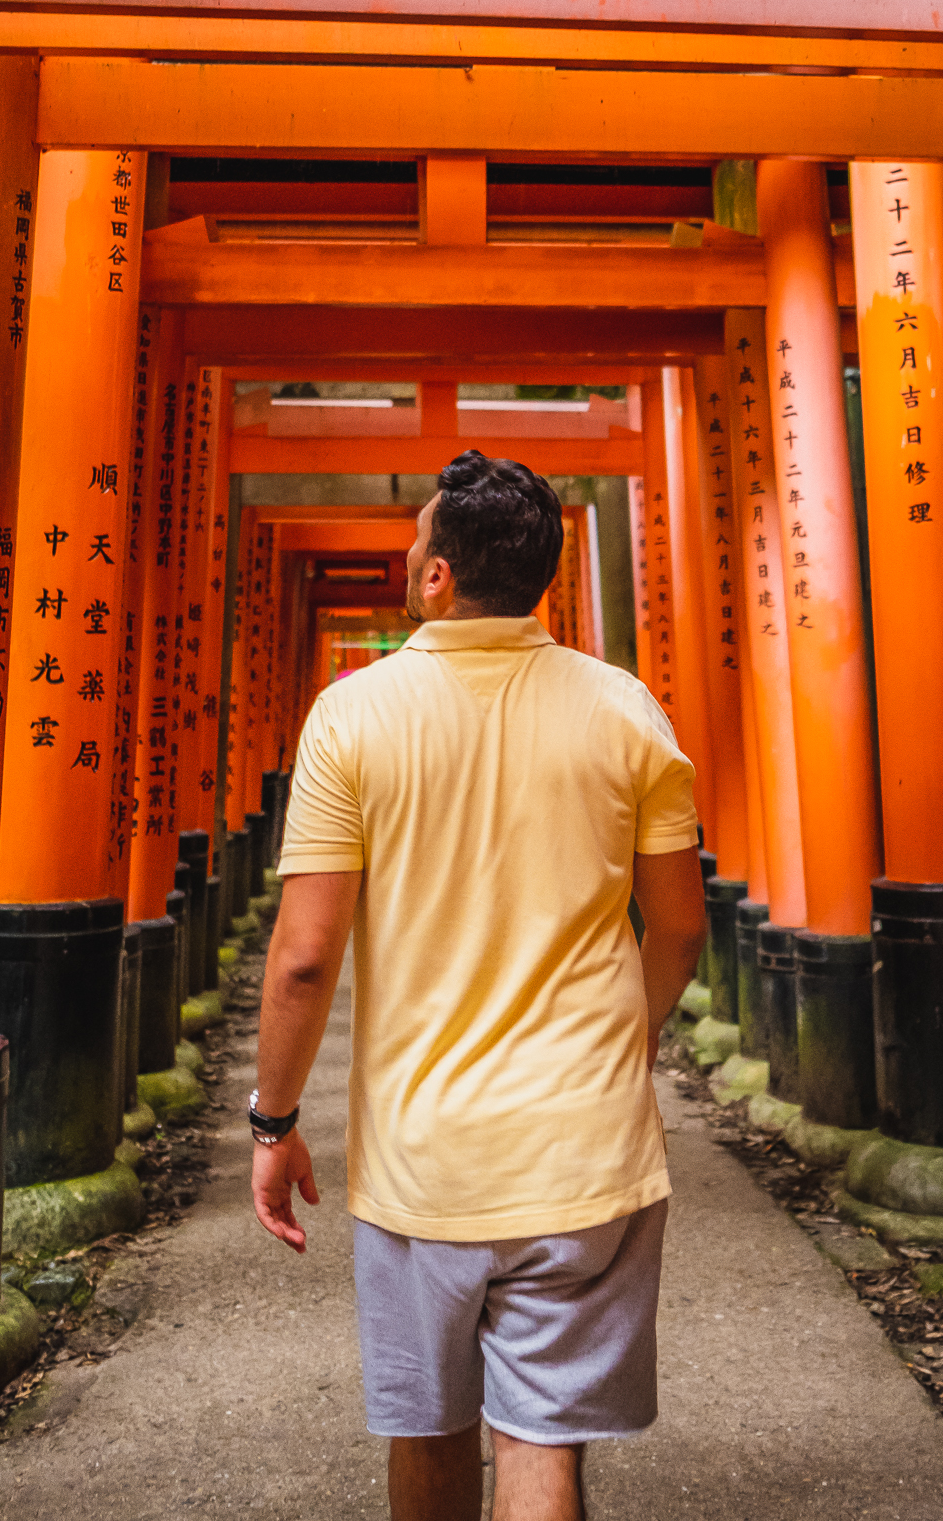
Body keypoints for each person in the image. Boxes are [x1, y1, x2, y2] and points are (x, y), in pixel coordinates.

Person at [250, 450, 707, 1521]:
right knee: (542, 1436)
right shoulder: (625, 708)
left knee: (430, 1422)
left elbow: (305, 954)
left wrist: (273, 1120)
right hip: (584, 1148)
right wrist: (615, 1050)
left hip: (424, 1156)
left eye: (417, 541)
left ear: (440, 576)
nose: (409, 554)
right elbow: (679, 926)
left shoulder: (352, 717)